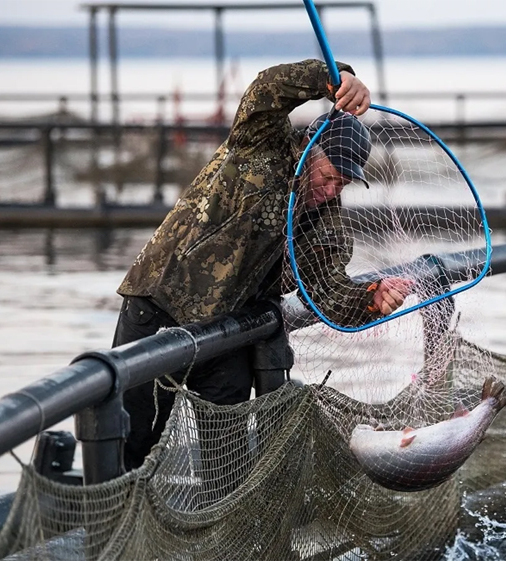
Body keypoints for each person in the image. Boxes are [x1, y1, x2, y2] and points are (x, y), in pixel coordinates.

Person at [113, 59, 413, 471]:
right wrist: (335, 77)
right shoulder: (260, 143)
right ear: (311, 150)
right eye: (329, 175)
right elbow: (267, 89)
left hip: (226, 334)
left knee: (228, 459)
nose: (331, 190)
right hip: (158, 308)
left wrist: (370, 298)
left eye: (343, 183)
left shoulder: (328, 222)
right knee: (132, 443)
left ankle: (220, 529)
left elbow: (326, 292)